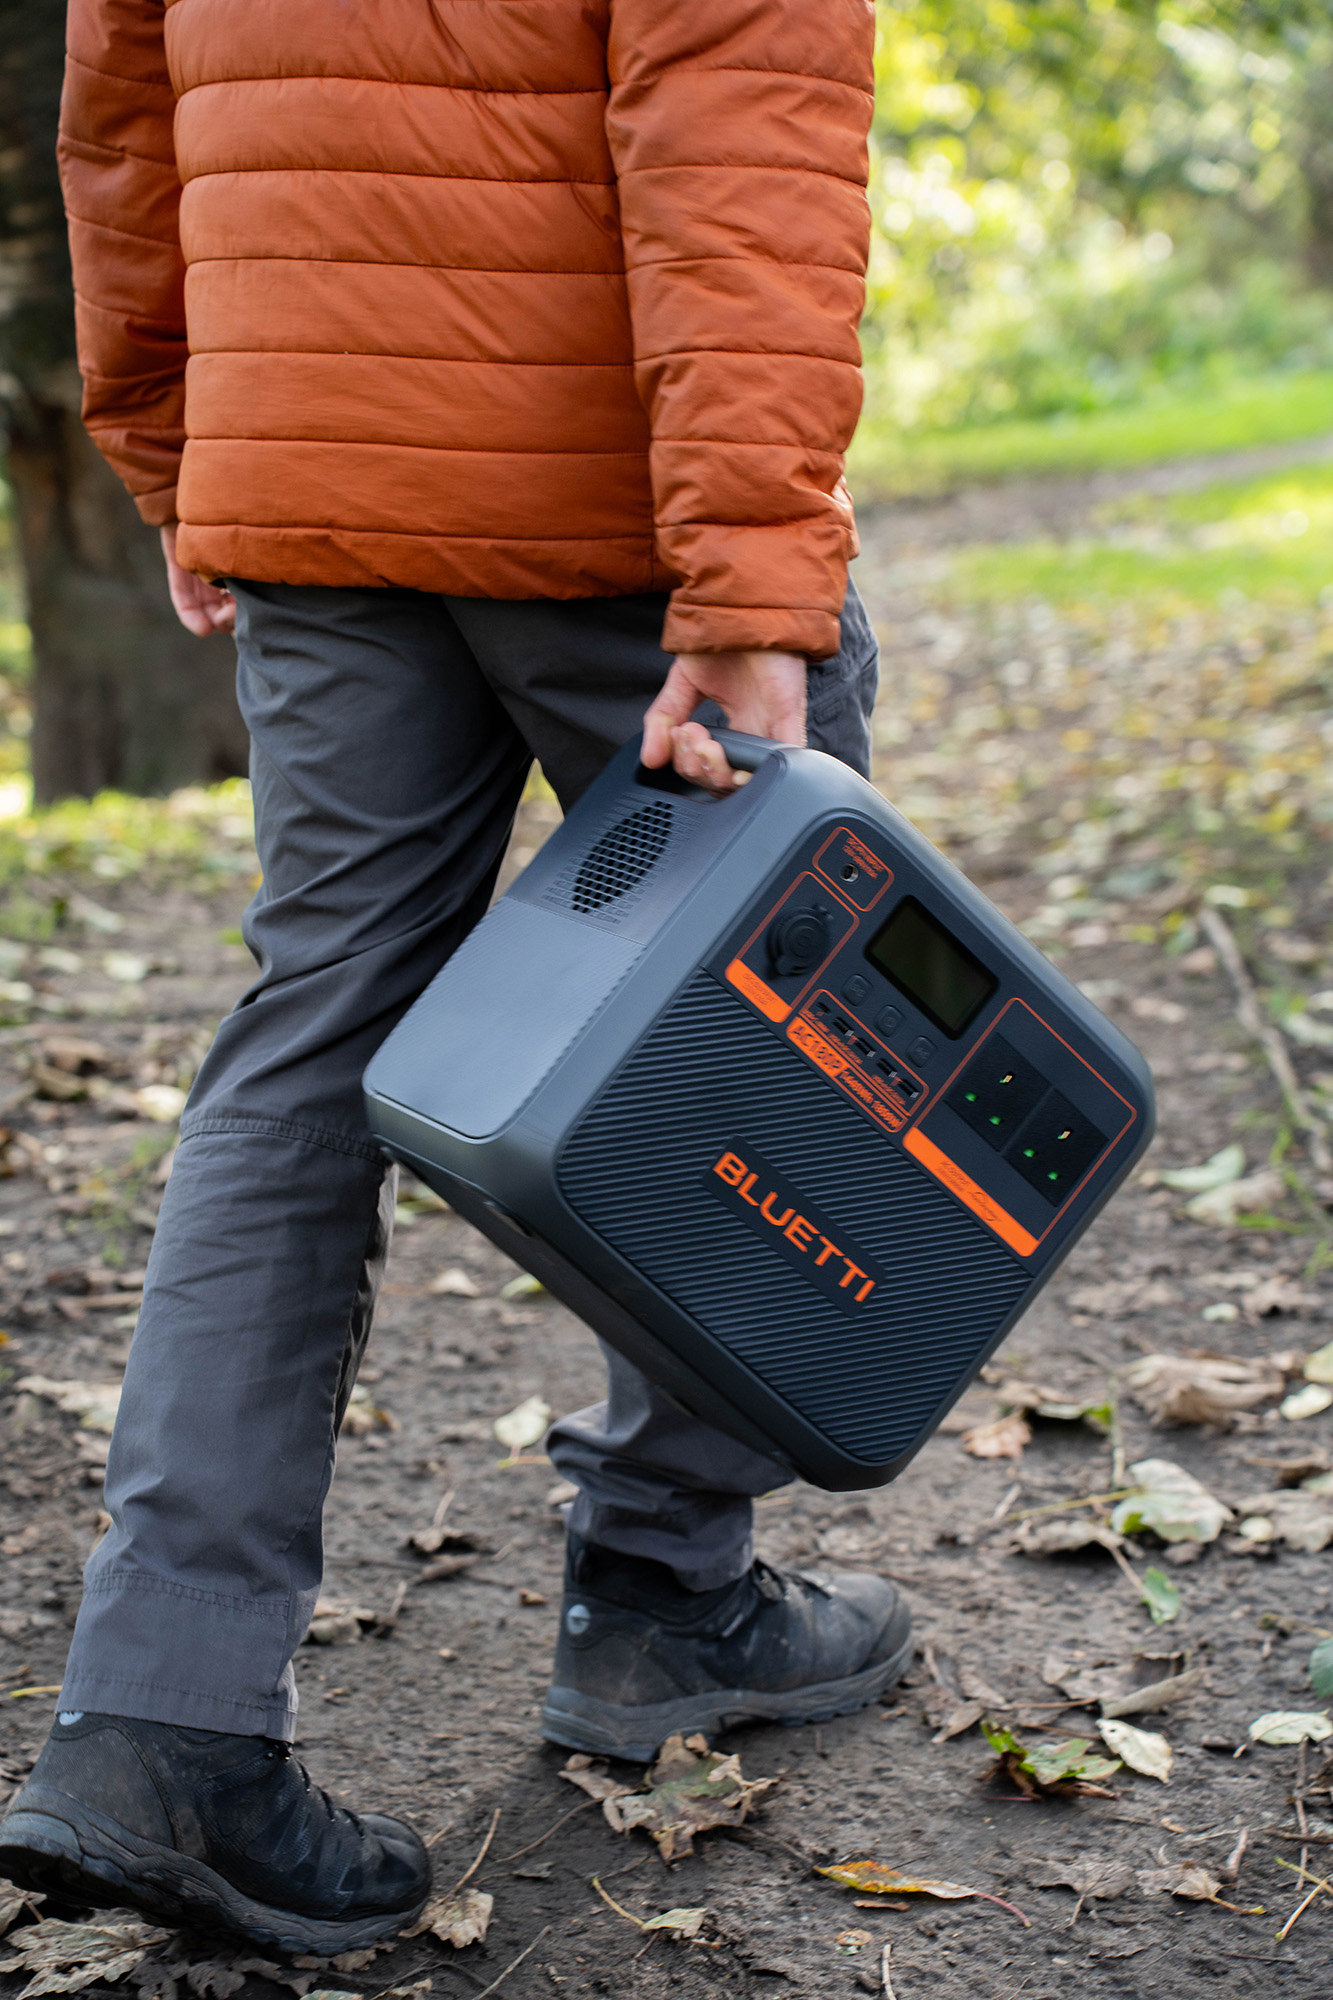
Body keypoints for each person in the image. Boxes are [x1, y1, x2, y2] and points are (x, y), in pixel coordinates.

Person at [0, 0, 910, 1953]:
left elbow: (123, 108)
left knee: (301, 1045)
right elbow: (735, 96)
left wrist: (176, 432)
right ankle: (666, 1589)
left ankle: (158, 1717)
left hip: (311, 457)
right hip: (605, 496)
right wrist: (756, 572)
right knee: (764, 1008)